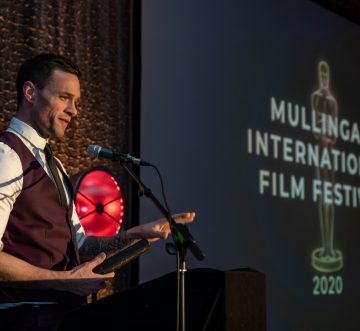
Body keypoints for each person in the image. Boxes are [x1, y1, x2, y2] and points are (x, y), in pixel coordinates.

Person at [0, 53, 195, 330]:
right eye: (65, 97)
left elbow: (80, 247)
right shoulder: (7, 155)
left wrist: (135, 235)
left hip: (61, 318)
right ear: (30, 92)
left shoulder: (52, 164)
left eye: (76, 101)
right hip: (22, 319)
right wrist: (66, 281)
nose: (74, 110)